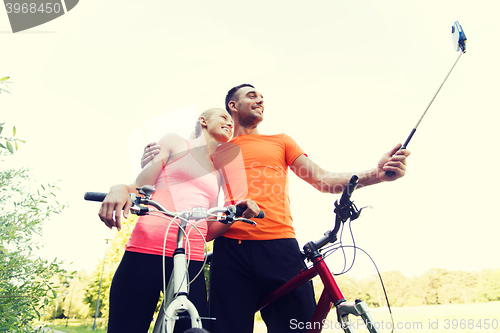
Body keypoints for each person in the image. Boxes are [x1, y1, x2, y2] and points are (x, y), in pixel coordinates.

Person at [141, 84, 411, 333]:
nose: (259, 99)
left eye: (261, 97)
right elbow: (179, 172)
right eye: (251, 95)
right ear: (232, 106)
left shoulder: (281, 141)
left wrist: (375, 175)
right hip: (230, 252)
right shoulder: (217, 149)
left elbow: (322, 179)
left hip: (280, 248)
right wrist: (155, 158)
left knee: (299, 327)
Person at [98, 107, 260, 333]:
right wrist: (118, 188)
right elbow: (141, 186)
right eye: (223, 117)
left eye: (230, 121)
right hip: (147, 248)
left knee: (190, 329)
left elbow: (206, 228)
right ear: (203, 120)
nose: (229, 123)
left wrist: (234, 216)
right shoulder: (175, 142)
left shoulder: (218, 172)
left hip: (191, 259)